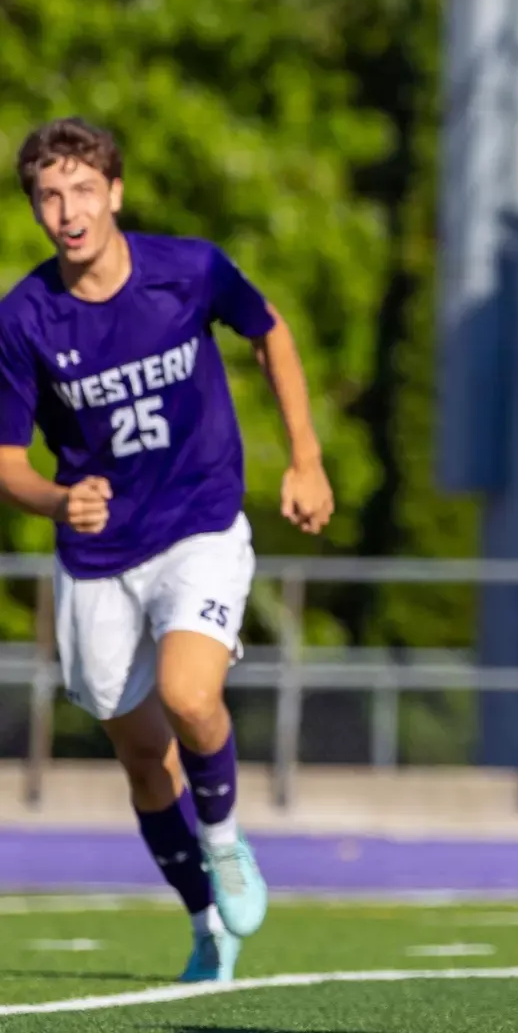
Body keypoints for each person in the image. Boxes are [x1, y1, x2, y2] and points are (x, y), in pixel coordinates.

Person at [0, 119, 334, 982]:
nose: (67, 211)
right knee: (142, 756)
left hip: (201, 523)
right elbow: (6, 463)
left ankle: (225, 843)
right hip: (100, 558)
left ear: (114, 192)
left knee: (191, 697)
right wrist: (55, 498)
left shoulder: (188, 270)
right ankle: (204, 927)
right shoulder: (24, 318)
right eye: (49, 195)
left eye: (82, 190)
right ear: (36, 208)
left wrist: (305, 458)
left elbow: (272, 334)